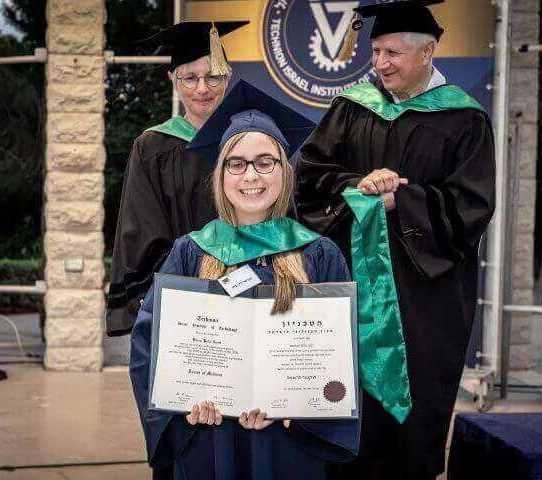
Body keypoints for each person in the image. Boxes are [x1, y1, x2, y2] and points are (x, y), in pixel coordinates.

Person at [295, 1, 496, 479]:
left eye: (393, 53)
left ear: (427, 53)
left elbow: (471, 206)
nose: (381, 63)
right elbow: (309, 178)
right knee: (344, 407)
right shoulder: (351, 108)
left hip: (424, 300)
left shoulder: (465, 120)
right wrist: (359, 185)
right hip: (353, 289)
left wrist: (398, 202)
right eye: (377, 51)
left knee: (413, 424)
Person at [130, 80, 360, 480]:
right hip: (208, 439)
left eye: (264, 161)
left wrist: (302, 409)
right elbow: (149, 347)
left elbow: (346, 354)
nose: (250, 175)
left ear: (284, 170)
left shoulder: (319, 254)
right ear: (221, 175)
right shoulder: (191, 252)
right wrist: (183, 407)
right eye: (236, 163)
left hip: (288, 444)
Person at [106, 21, 248, 337]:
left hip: (251, 292)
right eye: (190, 77)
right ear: (173, 79)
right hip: (181, 298)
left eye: (213, 76)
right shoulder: (153, 146)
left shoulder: (250, 140)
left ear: (228, 77)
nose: (202, 88)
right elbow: (142, 227)